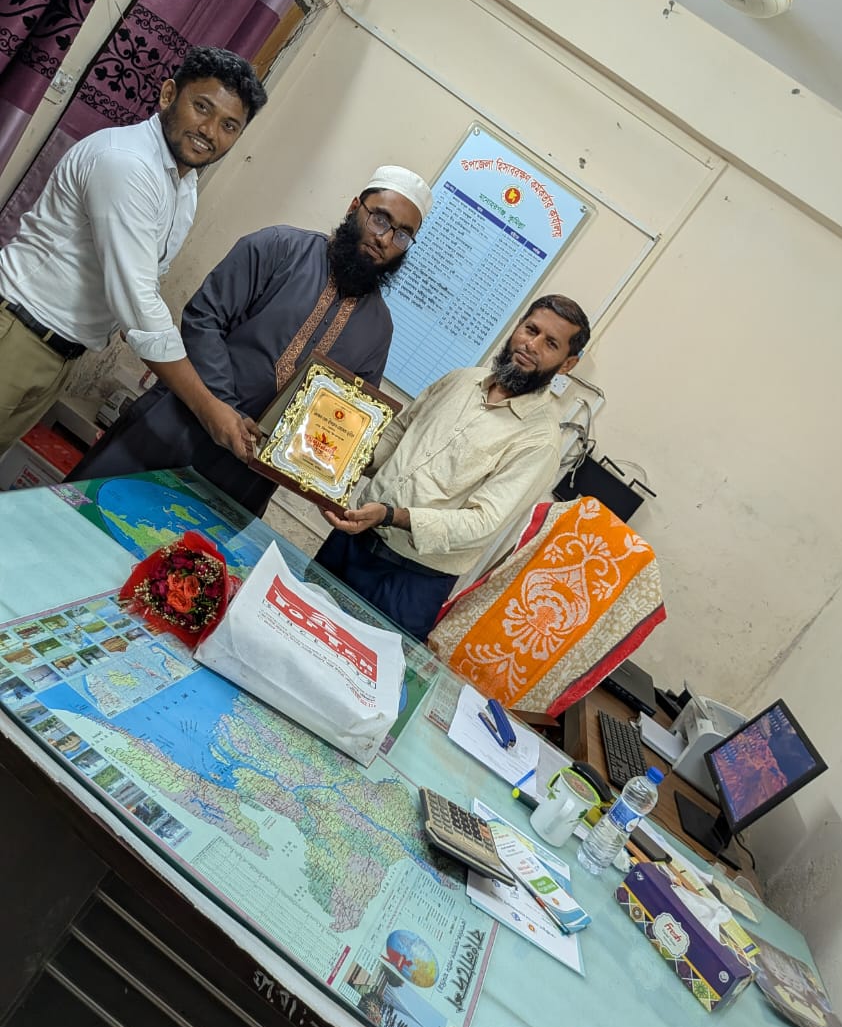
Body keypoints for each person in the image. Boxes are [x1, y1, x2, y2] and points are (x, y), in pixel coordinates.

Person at [67, 166, 432, 514]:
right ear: (354, 207)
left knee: (183, 558)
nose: (385, 239)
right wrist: (223, 407)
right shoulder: (278, 247)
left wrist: (325, 475)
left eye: (402, 235)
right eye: (380, 219)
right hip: (175, 424)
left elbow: (350, 418)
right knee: (84, 522)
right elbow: (204, 318)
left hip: (248, 475)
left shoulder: (378, 329)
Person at [0, 45, 268, 458]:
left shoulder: (183, 185)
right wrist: (209, 408)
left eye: (229, 125)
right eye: (202, 107)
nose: (210, 131)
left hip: (58, 355)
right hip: (15, 334)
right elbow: (139, 305)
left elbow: (143, 290)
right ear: (168, 94)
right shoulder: (126, 163)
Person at [315, 294, 591, 640]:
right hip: (350, 540)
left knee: (351, 667)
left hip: (409, 582)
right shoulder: (461, 380)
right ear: (518, 326)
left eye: (550, 344)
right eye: (530, 329)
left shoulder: (540, 441)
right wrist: (331, 456)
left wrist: (391, 516)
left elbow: (482, 522)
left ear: (567, 364)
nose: (531, 345)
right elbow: (397, 436)